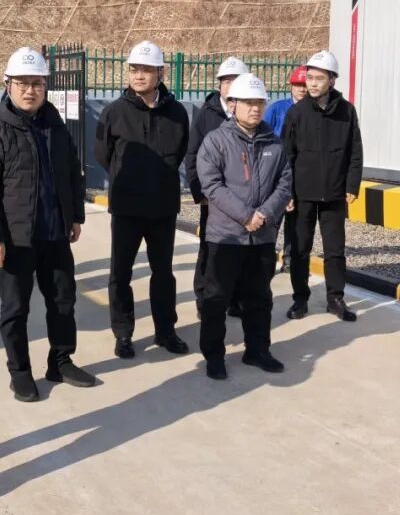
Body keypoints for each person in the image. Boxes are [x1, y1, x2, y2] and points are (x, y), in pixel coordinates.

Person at [0, 46, 94, 403]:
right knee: (15, 309)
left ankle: (60, 361)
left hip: (54, 235)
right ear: (8, 85)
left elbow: (72, 174)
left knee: (63, 301)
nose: (30, 90)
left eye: (37, 83)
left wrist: (75, 216)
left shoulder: (56, 126)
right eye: (22, 83)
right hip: (16, 240)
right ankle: (20, 372)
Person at [95, 41, 191, 359]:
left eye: (146, 70)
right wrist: (129, 179)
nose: (138, 75)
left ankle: (166, 331)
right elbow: (103, 154)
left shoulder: (177, 113)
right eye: (134, 69)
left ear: (160, 73)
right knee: (120, 273)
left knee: (163, 273)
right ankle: (123, 333)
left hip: (162, 208)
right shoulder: (114, 112)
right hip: (127, 208)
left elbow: (179, 151)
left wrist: (158, 177)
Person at [196, 74, 292, 380]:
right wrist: (246, 216)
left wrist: (264, 214)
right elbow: (212, 186)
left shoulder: (274, 144)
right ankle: (214, 356)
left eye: (260, 102)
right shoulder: (216, 141)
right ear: (232, 104)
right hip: (226, 237)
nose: (255, 108)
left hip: (261, 237)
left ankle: (257, 350)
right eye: (248, 102)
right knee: (216, 299)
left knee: (259, 297)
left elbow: (285, 183)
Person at [282, 50, 363, 322]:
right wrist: (287, 192)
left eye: (319, 78)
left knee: (335, 250)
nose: (313, 83)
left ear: (332, 80)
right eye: (310, 78)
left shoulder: (346, 111)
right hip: (301, 194)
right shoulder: (296, 113)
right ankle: (300, 299)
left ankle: (335, 299)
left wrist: (352, 184)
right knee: (300, 249)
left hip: (334, 192)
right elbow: (286, 155)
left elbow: (355, 151)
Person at [183, 56, 250, 316]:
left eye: (235, 81)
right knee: (210, 249)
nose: (230, 86)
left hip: (242, 198)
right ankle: (205, 299)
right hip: (212, 197)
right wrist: (198, 191)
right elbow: (192, 154)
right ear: (219, 85)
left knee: (239, 250)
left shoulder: (250, 113)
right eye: (226, 81)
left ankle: (234, 299)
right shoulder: (206, 114)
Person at [264, 65, 308, 272]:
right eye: (298, 85)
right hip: (278, 170)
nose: (302, 89)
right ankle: (266, 255)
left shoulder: (313, 111)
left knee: (295, 220)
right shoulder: (277, 109)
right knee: (273, 215)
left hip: (301, 173)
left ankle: (289, 258)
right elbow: (264, 135)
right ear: (291, 86)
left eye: (304, 85)